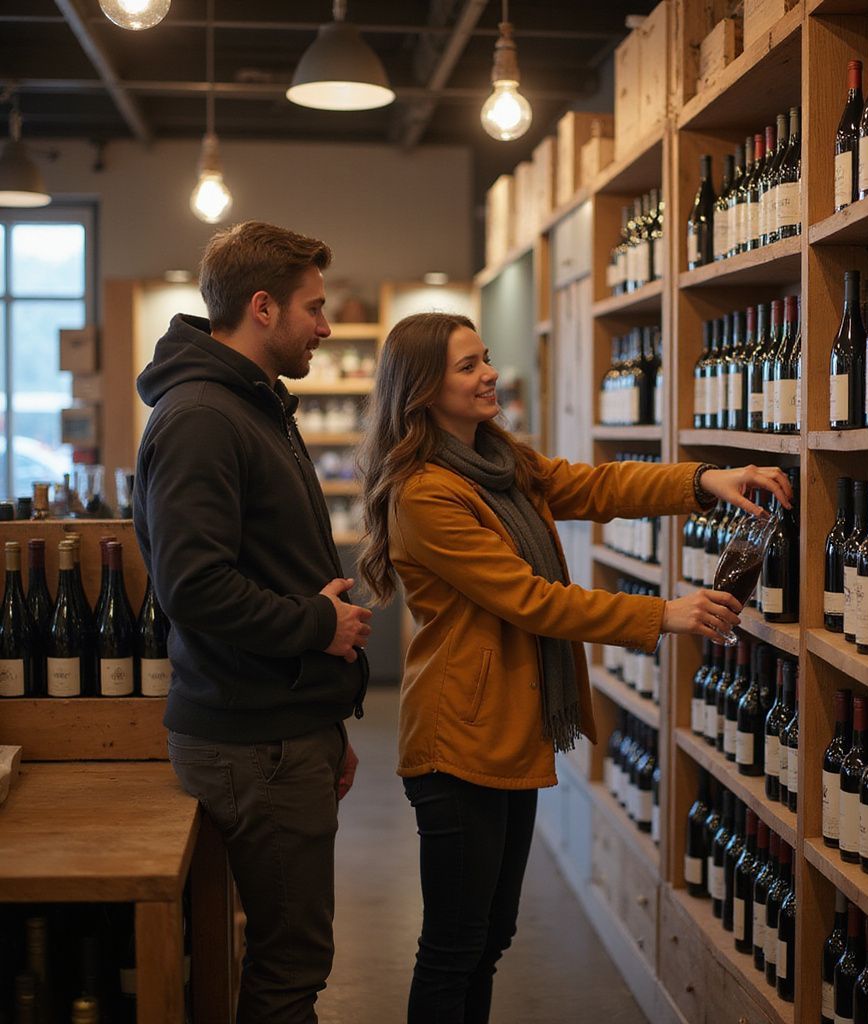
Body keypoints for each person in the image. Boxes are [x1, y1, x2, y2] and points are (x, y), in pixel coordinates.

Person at [356, 312, 792, 1023]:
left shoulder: (500, 462)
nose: (489, 372)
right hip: (458, 736)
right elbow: (530, 601)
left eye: (484, 357)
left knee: (490, 937)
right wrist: (662, 615)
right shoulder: (425, 493)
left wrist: (708, 478)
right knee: (455, 943)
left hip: (508, 725)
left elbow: (598, 485)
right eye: (467, 366)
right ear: (423, 388)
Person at [133, 221, 372, 1024]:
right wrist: (317, 627)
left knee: (285, 955)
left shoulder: (249, 405)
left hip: (278, 729)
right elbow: (193, 587)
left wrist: (323, 721)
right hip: (251, 740)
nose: (327, 326)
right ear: (262, 307)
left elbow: (261, 563)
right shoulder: (204, 416)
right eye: (314, 307)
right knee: (290, 965)